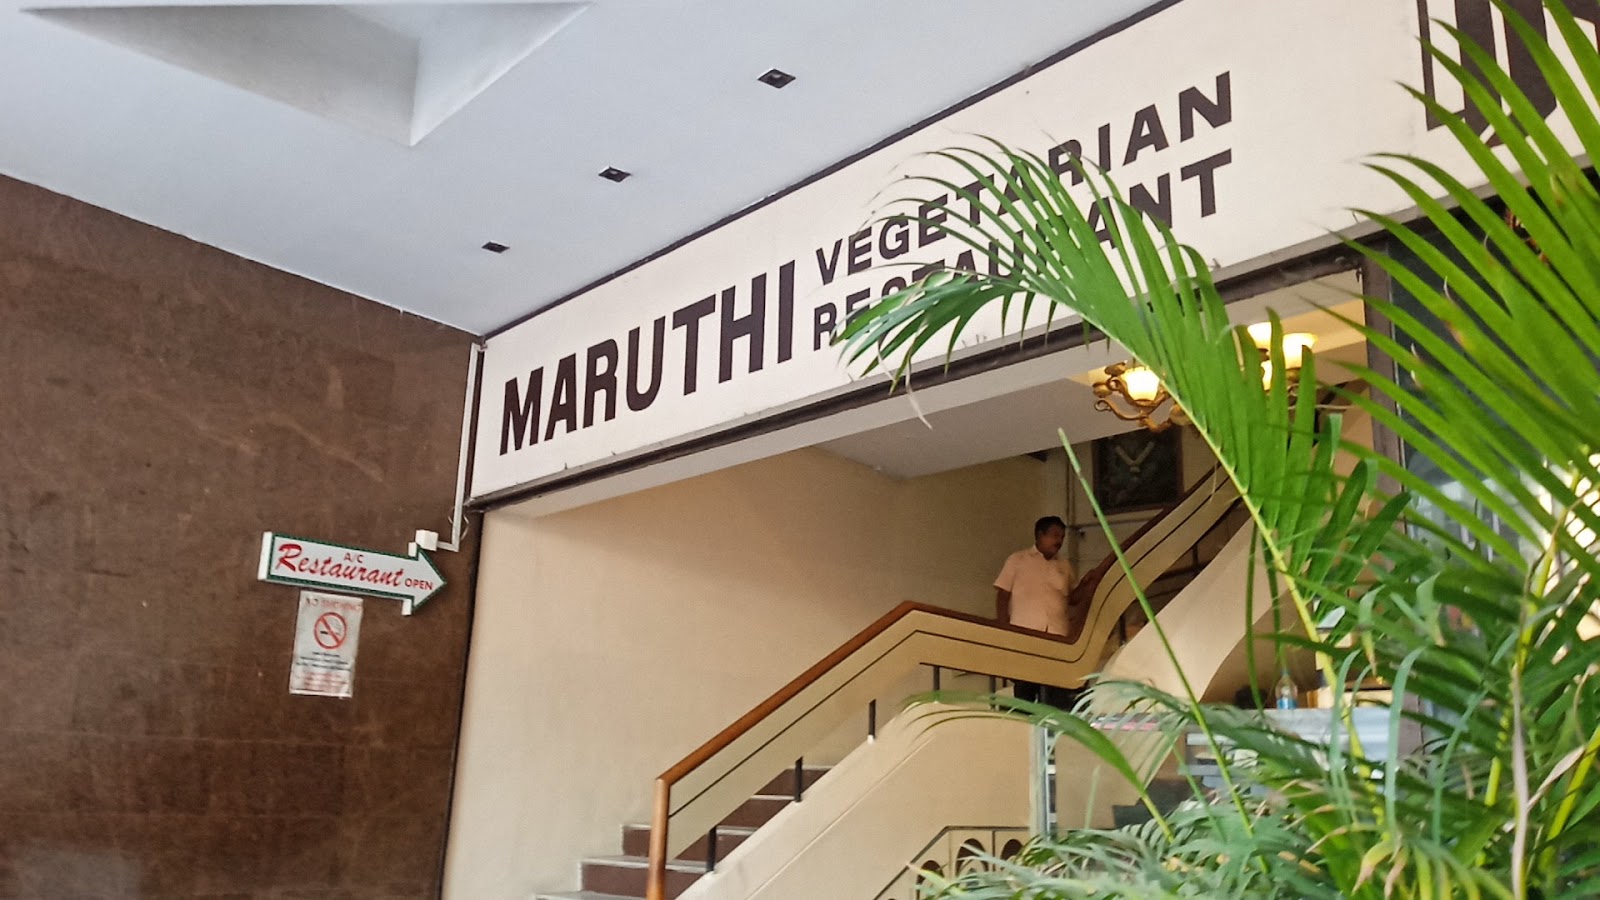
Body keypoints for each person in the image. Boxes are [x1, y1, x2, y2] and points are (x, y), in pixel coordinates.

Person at [994, 515, 1082, 708]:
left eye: (1062, 536)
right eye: (1054, 535)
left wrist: (1092, 582)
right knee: (1025, 689)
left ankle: (1053, 725)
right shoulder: (1017, 560)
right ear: (1040, 535)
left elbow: (1074, 598)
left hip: (1057, 636)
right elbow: (1002, 595)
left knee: (1056, 691)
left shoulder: (1064, 565)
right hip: (1026, 635)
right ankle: (1024, 725)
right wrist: (1003, 629)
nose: (1059, 541)